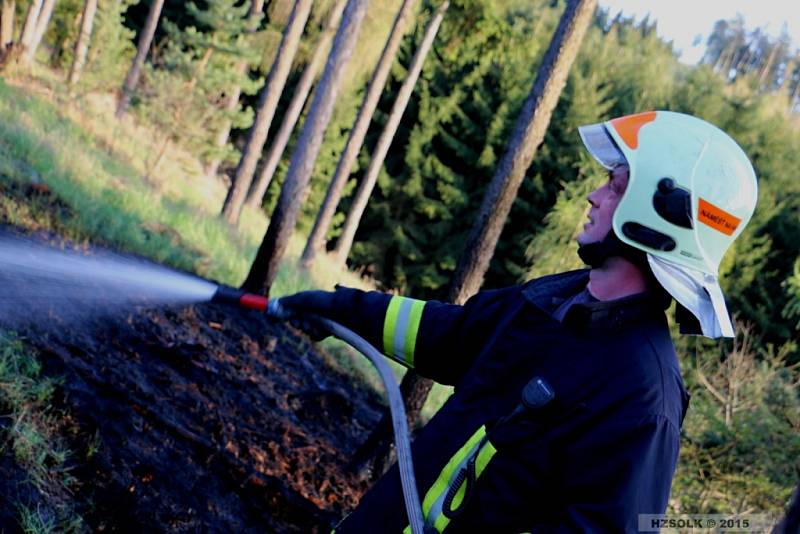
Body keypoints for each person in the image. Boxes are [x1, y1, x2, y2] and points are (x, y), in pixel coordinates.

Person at [273, 111, 759, 532]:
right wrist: (339, 308)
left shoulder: (642, 395)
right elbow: (453, 335)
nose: (592, 196)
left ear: (658, 216)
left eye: (614, 186)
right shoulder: (555, 300)